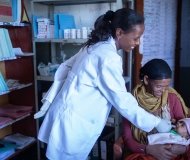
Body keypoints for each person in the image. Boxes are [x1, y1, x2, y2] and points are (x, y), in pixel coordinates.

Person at [35, 8, 169, 160]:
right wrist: (156, 122)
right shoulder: (108, 57)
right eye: (135, 38)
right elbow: (122, 101)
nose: (137, 43)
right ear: (119, 33)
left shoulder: (95, 46)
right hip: (72, 125)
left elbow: (64, 68)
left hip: (68, 118)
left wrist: (50, 100)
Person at [121, 59, 190, 160]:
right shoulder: (131, 103)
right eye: (159, 86)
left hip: (172, 151)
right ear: (146, 80)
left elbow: (187, 131)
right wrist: (148, 149)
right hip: (144, 151)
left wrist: (182, 148)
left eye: (166, 87)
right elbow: (128, 138)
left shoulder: (172, 98)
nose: (163, 91)